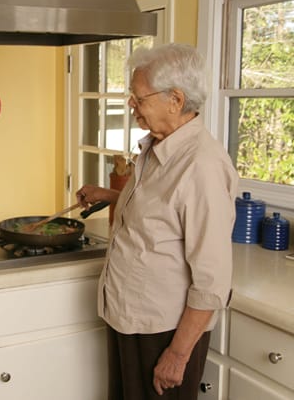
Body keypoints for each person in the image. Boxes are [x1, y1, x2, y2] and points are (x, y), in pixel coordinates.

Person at [76, 43, 238, 400]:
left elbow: (212, 281)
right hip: (128, 316)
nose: (131, 106)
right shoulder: (156, 148)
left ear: (175, 100)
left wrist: (177, 355)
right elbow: (163, 212)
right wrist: (110, 195)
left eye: (139, 98)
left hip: (163, 331)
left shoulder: (202, 168)